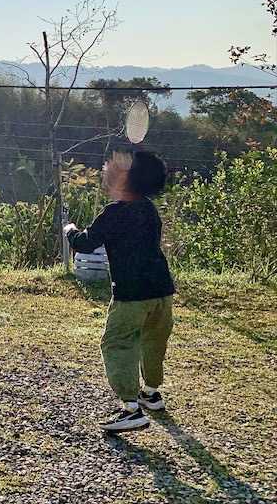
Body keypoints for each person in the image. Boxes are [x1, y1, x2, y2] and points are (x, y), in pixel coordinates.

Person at [64, 149, 174, 433]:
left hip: (131, 294)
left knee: (117, 343)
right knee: (153, 340)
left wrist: (69, 230)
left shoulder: (114, 212)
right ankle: (151, 393)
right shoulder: (149, 207)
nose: (107, 175)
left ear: (125, 181)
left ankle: (130, 408)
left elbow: (86, 243)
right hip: (161, 291)